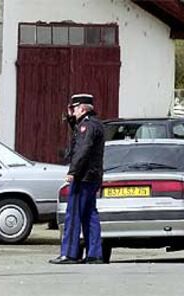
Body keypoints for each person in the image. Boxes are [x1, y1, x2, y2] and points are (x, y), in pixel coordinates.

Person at [49, 93, 105, 264]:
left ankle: (70, 253)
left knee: (73, 215)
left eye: (73, 109)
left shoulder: (86, 127)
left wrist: (73, 171)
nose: (71, 112)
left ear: (81, 108)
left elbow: (82, 150)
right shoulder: (95, 124)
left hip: (83, 176)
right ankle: (94, 254)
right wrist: (73, 122)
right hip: (93, 176)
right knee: (90, 214)